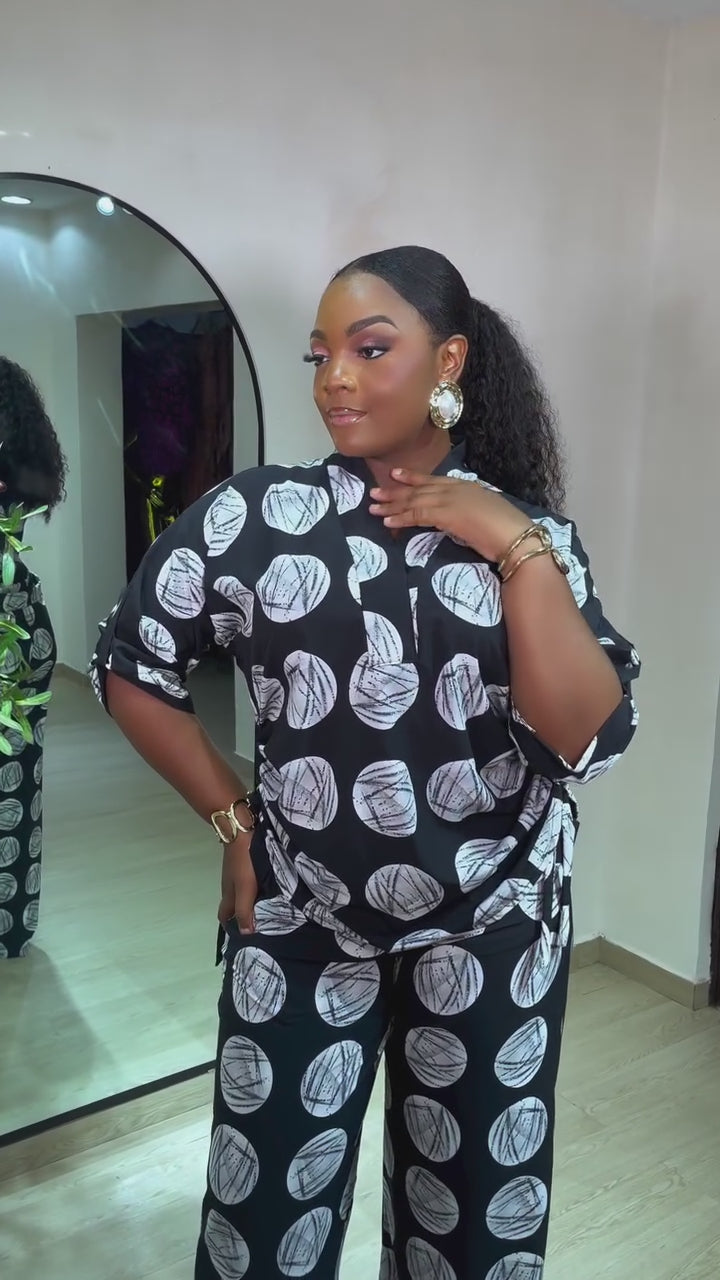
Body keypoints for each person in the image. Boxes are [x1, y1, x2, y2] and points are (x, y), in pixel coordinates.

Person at [91, 247, 639, 1280]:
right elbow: (133, 664)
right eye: (320, 355)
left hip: (496, 918)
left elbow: (585, 739)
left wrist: (512, 544)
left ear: (450, 360)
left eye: (370, 349)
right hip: (300, 913)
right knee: (263, 1220)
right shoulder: (255, 517)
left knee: (472, 1220)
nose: (334, 378)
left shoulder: (530, 534)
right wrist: (233, 819)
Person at [0, 356, 65, 960]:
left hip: (10, 640)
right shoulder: (20, 460)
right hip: (23, 632)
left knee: (12, 783)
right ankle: (10, 924)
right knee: (15, 785)